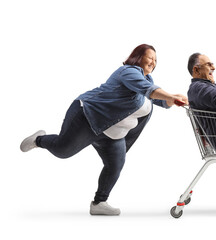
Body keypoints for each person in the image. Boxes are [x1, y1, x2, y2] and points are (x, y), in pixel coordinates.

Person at [20, 44, 188, 215]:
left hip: (112, 133)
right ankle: (39, 140)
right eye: (150, 57)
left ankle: (99, 203)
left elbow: (157, 100)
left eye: (156, 60)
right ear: (137, 57)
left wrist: (173, 99)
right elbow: (149, 91)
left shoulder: (147, 81)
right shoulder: (129, 71)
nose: (153, 62)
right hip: (89, 117)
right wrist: (170, 96)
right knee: (63, 150)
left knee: (115, 165)